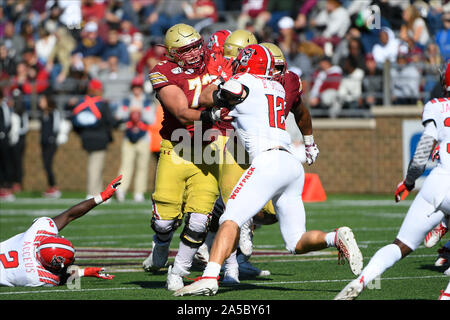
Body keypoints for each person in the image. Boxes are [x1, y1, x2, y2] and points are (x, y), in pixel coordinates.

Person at [174, 44, 363, 296]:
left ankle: (209, 277)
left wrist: (215, 96)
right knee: (295, 242)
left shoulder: (242, 82)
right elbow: (290, 110)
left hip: (267, 162)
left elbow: (212, 95)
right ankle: (334, 237)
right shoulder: (276, 87)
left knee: (229, 219)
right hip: (291, 165)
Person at [334, 63, 450, 300]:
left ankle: (362, 279)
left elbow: (423, 150)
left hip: (436, 182)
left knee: (400, 245)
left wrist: (408, 181)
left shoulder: (436, 105)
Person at [141, 24, 228, 291]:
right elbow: (179, 110)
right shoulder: (162, 71)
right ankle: (161, 243)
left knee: (200, 219)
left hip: (208, 149)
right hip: (176, 148)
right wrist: (209, 114)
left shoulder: (217, 62)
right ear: (172, 53)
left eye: (195, 46)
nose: (193, 53)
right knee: (164, 221)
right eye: (185, 49)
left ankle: (179, 271)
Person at [0, 175, 122, 287]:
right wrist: (83, 272)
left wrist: (102, 197)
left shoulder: (38, 231)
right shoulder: (35, 277)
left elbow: (70, 215)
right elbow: (61, 278)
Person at [71, 78, 115, 199]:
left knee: (96, 166)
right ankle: (92, 193)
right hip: (100, 138)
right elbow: (110, 121)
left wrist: (82, 134)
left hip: (86, 137)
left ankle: (99, 193)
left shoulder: (81, 103)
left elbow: (74, 122)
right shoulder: (102, 104)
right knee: (95, 166)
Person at [114, 76, 156, 202]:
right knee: (126, 165)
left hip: (143, 137)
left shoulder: (147, 102)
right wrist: (131, 115)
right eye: (134, 88)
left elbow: (150, 119)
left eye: (138, 88)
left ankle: (139, 192)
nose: (136, 90)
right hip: (129, 136)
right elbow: (119, 115)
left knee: (142, 166)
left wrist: (138, 114)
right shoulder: (126, 101)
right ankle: (120, 190)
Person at [38, 93, 70, 198]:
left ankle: (54, 187)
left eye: (42, 101)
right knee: (45, 165)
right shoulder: (43, 113)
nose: (40, 103)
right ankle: (51, 186)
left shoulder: (54, 113)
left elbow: (56, 127)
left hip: (51, 143)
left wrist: (52, 138)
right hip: (44, 143)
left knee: (48, 165)